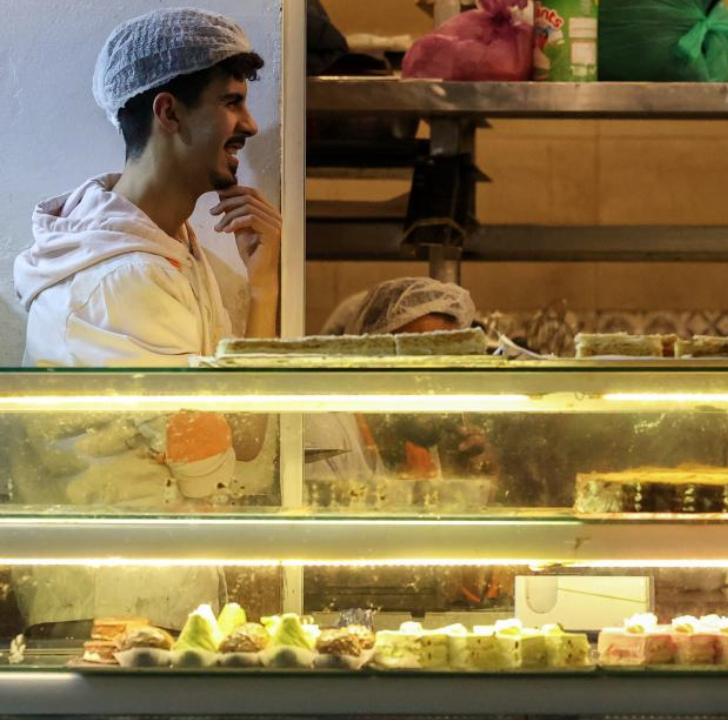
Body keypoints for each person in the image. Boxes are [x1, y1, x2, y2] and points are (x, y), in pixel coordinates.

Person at [9, 8, 283, 634]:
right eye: (232, 103)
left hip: (143, 599)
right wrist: (262, 293)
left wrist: (262, 288)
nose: (251, 124)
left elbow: (240, 441)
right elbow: (220, 465)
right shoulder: (122, 277)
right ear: (169, 112)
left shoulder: (169, 253)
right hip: (110, 610)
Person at [305, 278, 494, 489]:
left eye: (446, 362)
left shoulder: (416, 444)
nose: (433, 382)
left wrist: (464, 478)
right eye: (418, 358)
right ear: (370, 360)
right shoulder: (327, 432)